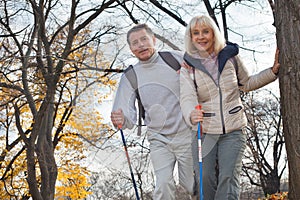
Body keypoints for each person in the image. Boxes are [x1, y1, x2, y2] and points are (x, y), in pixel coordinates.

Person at [180, 15, 280, 200]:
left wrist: (272, 72)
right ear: (191, 37)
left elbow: (247, 83)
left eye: (205, 31)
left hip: (233, 129)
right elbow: (186, 97)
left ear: (213, 33)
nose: (201, 36)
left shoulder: (230, 56)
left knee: (228, 178)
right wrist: (191, 113)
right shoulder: (188, 65)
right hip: (205, 131)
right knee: (205, 178)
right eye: (196, 33)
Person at [111, 23, 197, 200]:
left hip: (186, 132)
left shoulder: (175, 59)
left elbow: (202, 78)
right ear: (131, 49)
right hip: (158, 138)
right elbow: (123, 110)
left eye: (144, 39)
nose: (140, 45)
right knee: (163, 184)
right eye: (135, 43)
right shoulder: (130, 75)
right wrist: (120, 119)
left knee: (190, 184)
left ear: (154, 40)